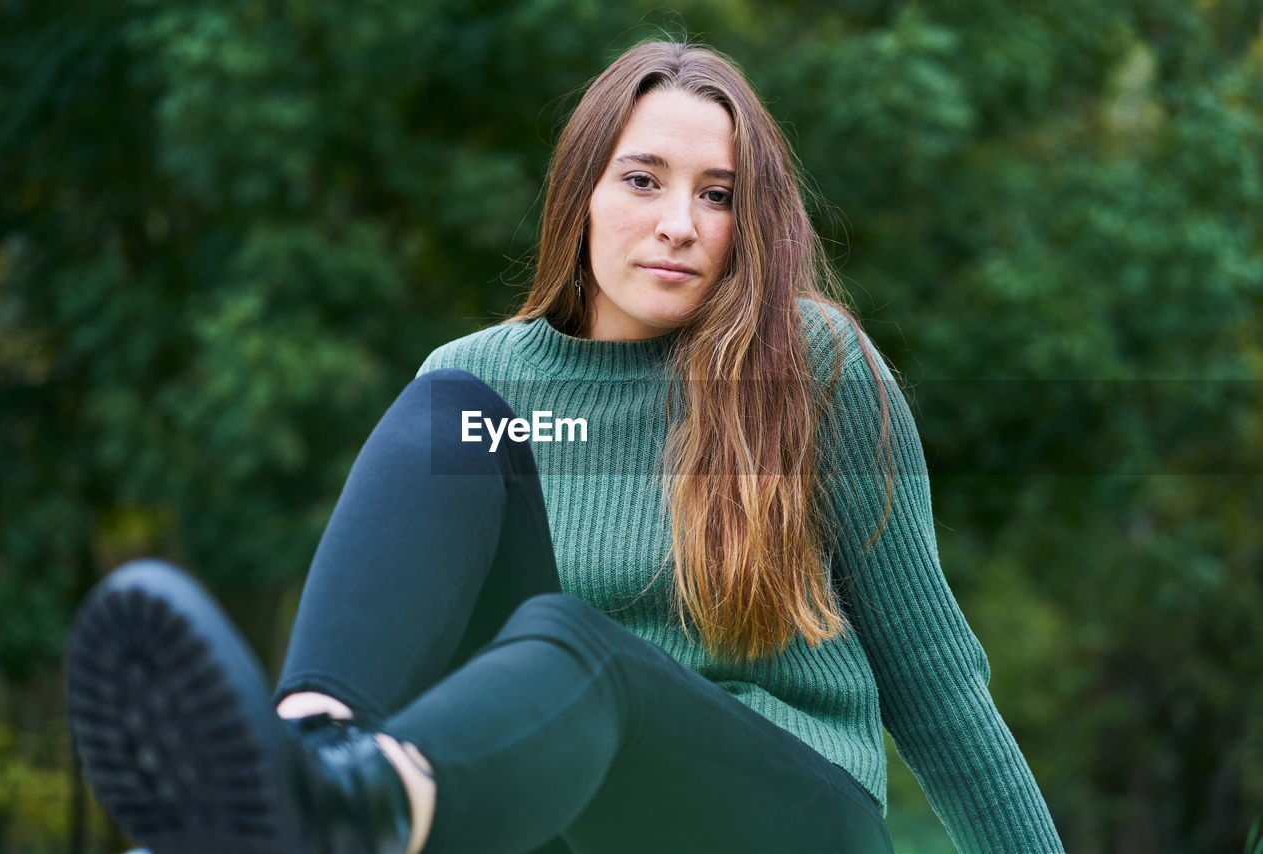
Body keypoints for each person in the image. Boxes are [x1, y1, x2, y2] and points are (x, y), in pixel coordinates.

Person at [66, 40, 1065, 854]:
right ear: (578, 194)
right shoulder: (488, 384)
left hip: (790, 815)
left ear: (747, 223)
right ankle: (309, 763)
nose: (678, 224)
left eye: (716, 195)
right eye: (641, 180)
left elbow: (938, 692)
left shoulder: (809, 363)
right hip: (570, 812)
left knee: (583, 651)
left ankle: (331, 812)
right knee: (447, 412)